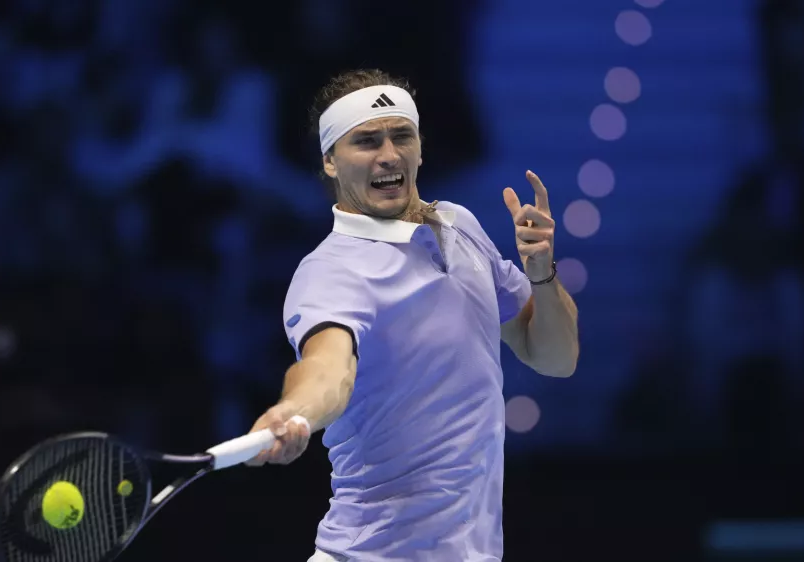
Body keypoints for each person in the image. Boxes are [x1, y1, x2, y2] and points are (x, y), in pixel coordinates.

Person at [246, 69, 580, 561]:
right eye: (365, 141)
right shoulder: (329, 272)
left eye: (401, 135)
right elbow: (328, 370)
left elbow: (555, 357)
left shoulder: (459, 225)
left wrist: (541, 272)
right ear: (330, 163)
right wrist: (292, 412)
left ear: (420, 148)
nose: (388, 154)